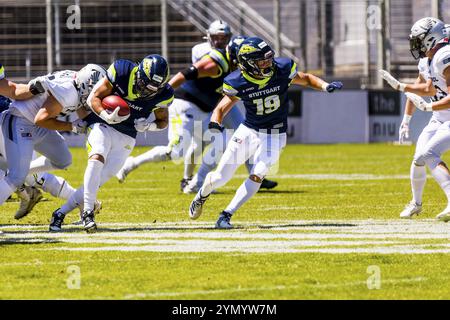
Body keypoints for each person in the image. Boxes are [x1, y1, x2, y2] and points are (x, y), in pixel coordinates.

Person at [189, 36, 343, 229]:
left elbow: (306, 78)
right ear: (248, 63)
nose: (268, 63)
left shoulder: (282, 69)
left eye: (269, 58)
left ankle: (226, 215)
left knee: (258, 174)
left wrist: (324, 86)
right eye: (262, 61)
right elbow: (220, 108)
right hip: (249, 131)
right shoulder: (237, 81)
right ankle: (202, 195)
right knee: (221, 177)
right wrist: (215, 123)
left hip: (275, 134)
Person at [116, 21, 278, 192]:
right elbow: (184, 74)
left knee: (218, 142)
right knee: (175, 152)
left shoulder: (240, 67)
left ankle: (194, 183)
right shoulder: (216, 63)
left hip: (207, 108)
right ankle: (132, 163)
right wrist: (162, 95)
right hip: (186, 105)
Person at [49, 54, 173, 233]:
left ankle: (60, 213)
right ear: (138, 73)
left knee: (97, 181)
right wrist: (106, 115)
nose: (145, 91)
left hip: (128, 135)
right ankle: (88, 213)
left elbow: (163, 122)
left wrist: (150, 126)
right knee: (97, 156)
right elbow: (93, 98)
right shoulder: (122, 71)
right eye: (144, 84)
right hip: (102, 123)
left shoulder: (164, 94)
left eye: (151, 89)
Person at [0, 64, 102, 217]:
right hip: (19, 120)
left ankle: (25, 172)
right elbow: (41, 118)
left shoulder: (78, 86)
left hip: (33, 122)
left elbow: (82, 107)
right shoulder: (69, 91)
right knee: (16, 176)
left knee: (63, 160)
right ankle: (21, 173)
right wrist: (71, 126)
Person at [381, 17, 450, 222]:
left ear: (431, 38)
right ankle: (416, 203)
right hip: (439, 118)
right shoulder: (428, 59)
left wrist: (428, 106)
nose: (415, 44)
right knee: (419, 157)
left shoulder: (444, 56)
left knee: (430, 153)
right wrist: (406, 118)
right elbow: (426, 88)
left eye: (419, 39)